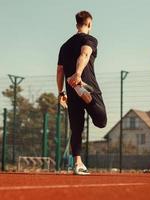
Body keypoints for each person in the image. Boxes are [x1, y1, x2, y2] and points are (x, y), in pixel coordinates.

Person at [56, 11, 107, 175]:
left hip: (70, 88)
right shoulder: (90, 39)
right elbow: (84, 54)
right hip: (86, 84)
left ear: (76, 23)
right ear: (89, 23)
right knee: (101, 121)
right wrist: (78, 74)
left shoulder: (64, 46)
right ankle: (85, 94)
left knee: (76, 128)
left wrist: (61, 92)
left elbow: (59, 71)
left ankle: (77, 164)